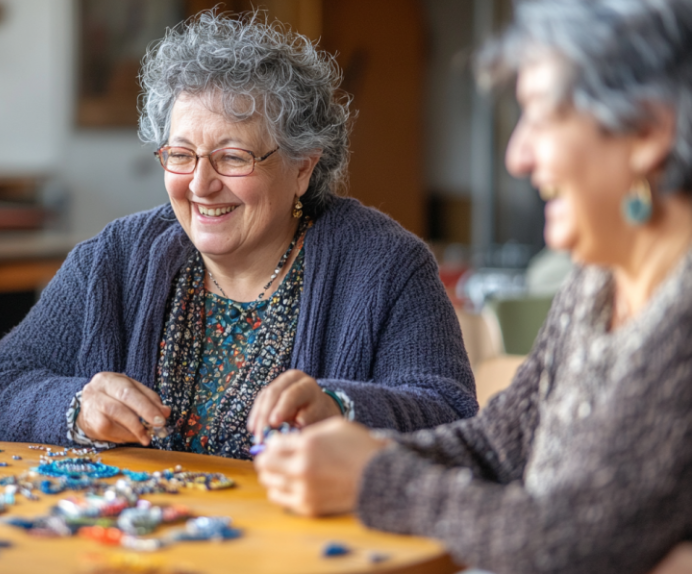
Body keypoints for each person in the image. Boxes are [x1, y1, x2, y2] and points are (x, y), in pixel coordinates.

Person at [255, 1, 692, 572]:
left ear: (647, 129)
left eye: (539, 116)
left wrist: (374, 479)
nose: (517, 157)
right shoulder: (597, 283)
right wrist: (351, 454)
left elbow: (575, 546)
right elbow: (497, 448)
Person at [0, 11, 476, 459]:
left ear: (303, 168)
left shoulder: (385, 266)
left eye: (233, 157)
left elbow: (452, 416)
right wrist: (77, 409)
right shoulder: (113, 258)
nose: (200, 184)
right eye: (181, 154)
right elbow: (5, 386)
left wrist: (342, 409)